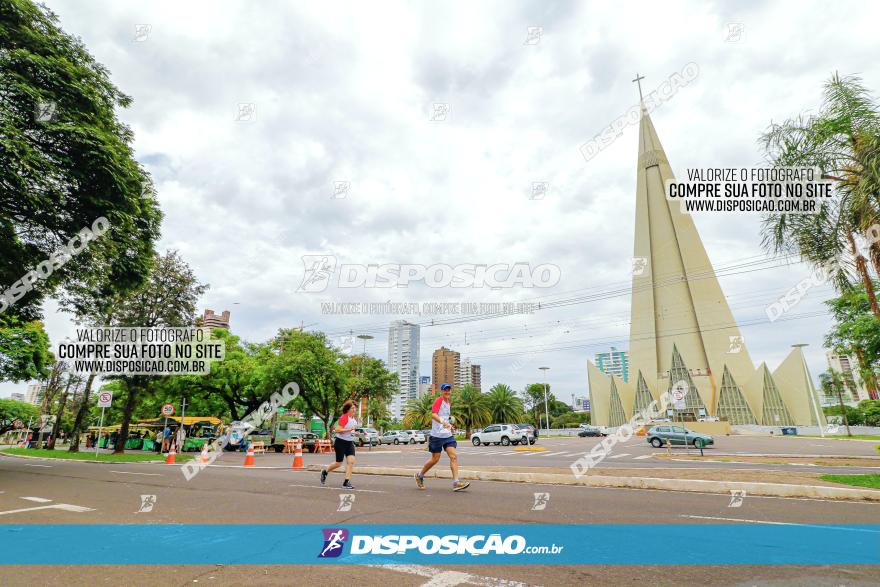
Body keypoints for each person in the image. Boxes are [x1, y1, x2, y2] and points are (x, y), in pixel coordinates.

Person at [415, 383, 470, 492]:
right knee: (435, 459)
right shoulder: (438, 401)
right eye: (445, 390)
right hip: (437, 435)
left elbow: (446, 417)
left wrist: (450, 426)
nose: (447, 392)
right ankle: (419, 475)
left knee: (453, 456)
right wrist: (443, 422)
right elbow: (433, 414)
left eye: (449, 390)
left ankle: (456, 482)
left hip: (447, 435)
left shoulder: (448, 403)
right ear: (441, 391)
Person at [320, 400, 358, 489]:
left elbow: (351, 430)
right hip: (340, 442)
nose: (354, 409)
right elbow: (337, 430)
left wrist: (354, 433)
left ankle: (346, 482)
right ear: (348, 409)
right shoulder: (344, 418)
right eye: (352, 408)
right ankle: (325, 472)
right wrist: (349, 430)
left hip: (349, 443)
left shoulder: (353, 420)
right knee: (338, 463)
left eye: (355, 408)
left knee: (351, 461)